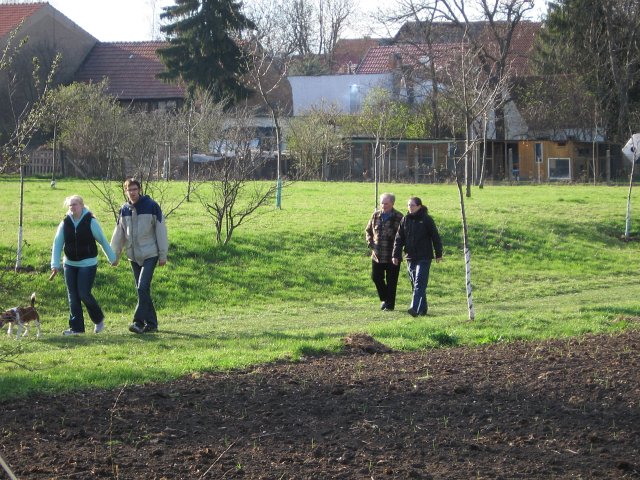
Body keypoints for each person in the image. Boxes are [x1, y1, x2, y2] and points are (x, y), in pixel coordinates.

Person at [51, 195, 116, 335]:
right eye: (70, 205)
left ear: (82, 205)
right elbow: (57, 244)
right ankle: (77, 328)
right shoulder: (65, 222)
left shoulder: (90, 221)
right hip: (69, 263)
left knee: (84, 293)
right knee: (72, 296)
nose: (72, 207)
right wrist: (54, 264)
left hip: (88, 263)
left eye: (75, 204)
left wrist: (112, 258)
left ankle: (98, 319)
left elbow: (103, 241)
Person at [111, 178, 168, 334]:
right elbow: (119, 234)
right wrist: (114, 256)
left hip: (150, 254)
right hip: (133, 256)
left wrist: (163, 254)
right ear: (125, 191)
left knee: (142, 287)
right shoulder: (124, 210)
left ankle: (137, 322)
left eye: (135, 189)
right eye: (129, 190)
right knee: (142, 290)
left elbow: (161, 231)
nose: (132, 192)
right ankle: (152, 324)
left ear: (140, 190)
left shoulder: (152, 206)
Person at [392, 196, 442, 317]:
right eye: (408, 205)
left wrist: (438, 253)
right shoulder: (405, 220)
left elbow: (435, 237)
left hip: (424, 257)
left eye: (412, 205)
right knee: (415, 283)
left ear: (419, 206)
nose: (410, 207)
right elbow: (399, 239)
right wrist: (395, 255)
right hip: (410, 257)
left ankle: (414, 308)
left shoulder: (426, 220)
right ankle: (423, 309)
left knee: (419, 282)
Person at [365, 193, 403, 311]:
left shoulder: (399, 217)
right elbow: (368, 231)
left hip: (392, 256)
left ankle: (389, 305)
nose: (383, 205)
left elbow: (403, 236)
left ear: (392, 203)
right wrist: (370, 243)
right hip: (377, 255)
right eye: (382, 203)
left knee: (392, 282)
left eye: (386, 203)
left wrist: (397, 251)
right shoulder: (375, 215)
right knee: (376, 277)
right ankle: (385, 299)